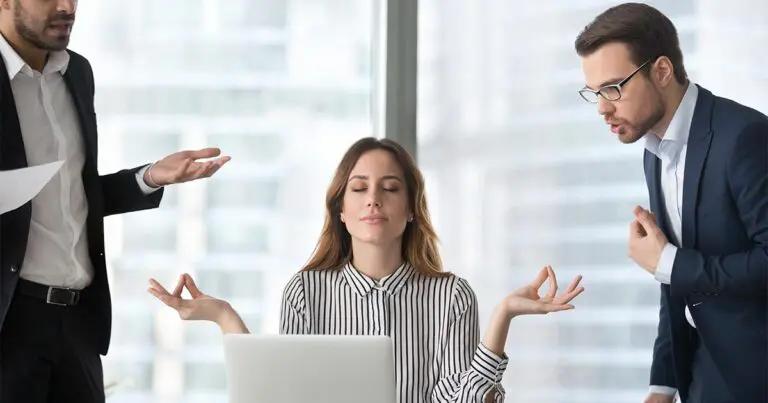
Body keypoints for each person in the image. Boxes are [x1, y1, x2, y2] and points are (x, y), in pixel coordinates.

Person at [149, 137, 585, 403]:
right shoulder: (305, 291)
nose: (373, 199)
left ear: (411, 210)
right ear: (342, 210)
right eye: (359, 189)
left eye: (389, 188)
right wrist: (225, 316)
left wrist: (502, 316)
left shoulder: (451, 296)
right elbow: (286, 394)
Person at [0, 1, 230, 402]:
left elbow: (71, 194)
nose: (66, 6)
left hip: (78, 324)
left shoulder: (77, 73)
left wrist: (150, 177)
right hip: (10, 324)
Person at [574, 3, 767, 403]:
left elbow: (675, 266)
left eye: (613, 88)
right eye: (594, 93)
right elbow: (674, 280)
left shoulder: (744, 138)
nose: (602, 108)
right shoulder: (653, 150)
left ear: (661, 71)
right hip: (701, 379)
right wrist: (663, 383)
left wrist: (669, 263)